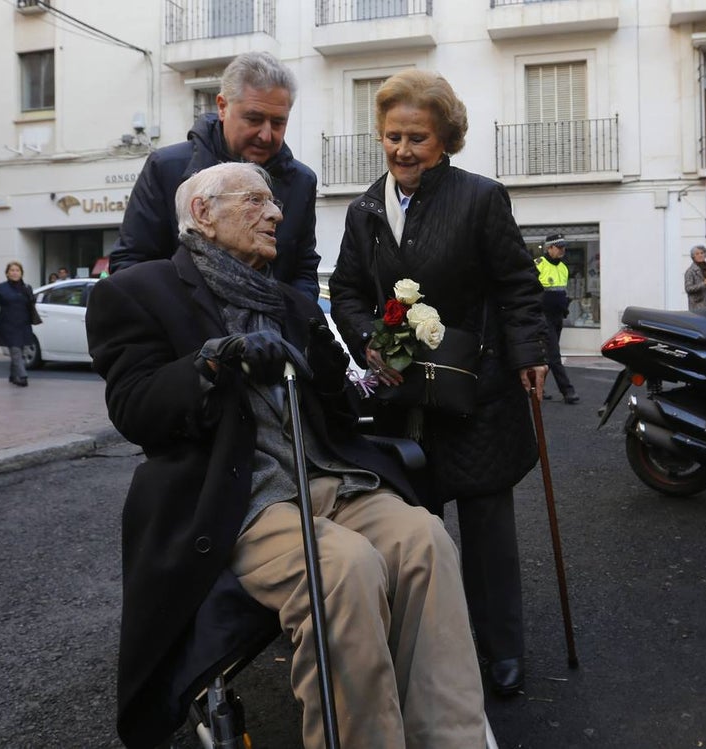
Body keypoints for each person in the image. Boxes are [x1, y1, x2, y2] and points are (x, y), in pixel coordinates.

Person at [88, 162, 489, 749]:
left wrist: (339, 374)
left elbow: (340, 407)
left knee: (425, 539)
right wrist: (212, 360)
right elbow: (134, 408)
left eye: (274, 203)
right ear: (203, 214)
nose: (277, 214)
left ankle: (450, 739)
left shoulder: (290, 303)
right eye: (255, 202)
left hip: (324, 475)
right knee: (345, 568)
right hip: (237, 498)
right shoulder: (137, 291)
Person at [329, 70, 549, 698]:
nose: (402, 150)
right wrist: (369, 338)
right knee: (413, 539)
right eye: (393, 136)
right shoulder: (365, 207)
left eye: (417, 138)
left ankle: (502, 651)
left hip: (476, 394)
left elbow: (516, 284)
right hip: (401, 399)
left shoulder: (481, 198)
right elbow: (345, 289)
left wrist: (528, 351)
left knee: (487, 538)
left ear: (445, 140)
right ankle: (424, 656)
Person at [109, 51, 321, 301]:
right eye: (253, 119)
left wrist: (285, 324)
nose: (266, 135)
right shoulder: (166, 168)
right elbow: (130, 263)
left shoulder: (301, 182)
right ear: (222, 106)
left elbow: (304, 271)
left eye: (278, 123)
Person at [535, 233, 580, 404]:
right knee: (554, 356)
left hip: (557, 317)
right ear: (549, 248)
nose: (563, 250)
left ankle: (536, 388)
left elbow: (560, 293)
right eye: (559, 247)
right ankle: (568, 391)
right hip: (543, 317)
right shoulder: (538, 265)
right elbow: (529, 290)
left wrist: (564, 308)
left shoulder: (563, 268)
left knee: (546, 356)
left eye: (564, 247)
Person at [0, 261, 36, 387]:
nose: (15, 273)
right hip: (7, 325)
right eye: (12, 270)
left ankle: (13, 375)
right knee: (15, 350)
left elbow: (31, 305)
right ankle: (22, 376)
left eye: (17, 270)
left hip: (24, 324)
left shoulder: (27, 288)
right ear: (7, 273)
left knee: (22, 350)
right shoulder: (0, 288)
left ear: (21, 273)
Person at [685, 244, 706, 310]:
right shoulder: (690, 271)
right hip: (697, 306)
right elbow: (688, 288)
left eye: (702, 253)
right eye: (697, 254)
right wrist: (704, 283)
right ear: (693, 257)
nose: (700, 255)